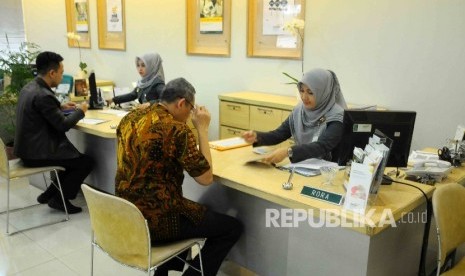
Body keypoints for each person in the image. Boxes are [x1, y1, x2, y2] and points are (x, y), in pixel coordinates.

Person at [116, 78, 242, 276]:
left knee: (194, 211)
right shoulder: (176, 130)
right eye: (191, 108)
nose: (190, 114)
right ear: (181, 103)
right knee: (231, 228)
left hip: (126, 214)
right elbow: (206, 178)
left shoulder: (130, 117)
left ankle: (164, 271)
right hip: (157, 220)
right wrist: (202, 128)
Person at [14, 51, 93, 214]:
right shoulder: (43, 95)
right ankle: (59, 199)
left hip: (26, 149)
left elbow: (41, 111)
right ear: (52, 73)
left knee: (73, 159)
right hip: (37, 153)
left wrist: (60, 107)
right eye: (61, 73)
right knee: (84, 162)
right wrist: (81, 110)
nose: (62, 76)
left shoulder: (30, 87)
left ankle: (49, 193)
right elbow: (63, 125)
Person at [242, 68, 347, 164]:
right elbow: (279, 134)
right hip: (304, 166)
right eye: (301, 91)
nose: (304, 97)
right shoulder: (300, 110)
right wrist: (257, 137)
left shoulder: (337, 116)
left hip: (330, 173)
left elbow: (321, 146)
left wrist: (288, 151)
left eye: (310, 93)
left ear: (324, 93)